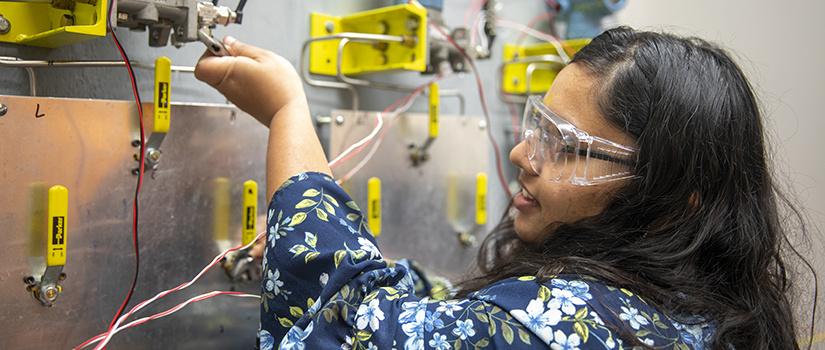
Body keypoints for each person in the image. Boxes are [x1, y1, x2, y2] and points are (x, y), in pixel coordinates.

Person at [195, 26, 815, 349]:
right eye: (535, 124)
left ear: (671, 204)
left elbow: (339, 328)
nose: (523, 153)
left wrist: (287, 115)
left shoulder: (555, 331)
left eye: (566, 145)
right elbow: (459, 321)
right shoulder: (706, 313)